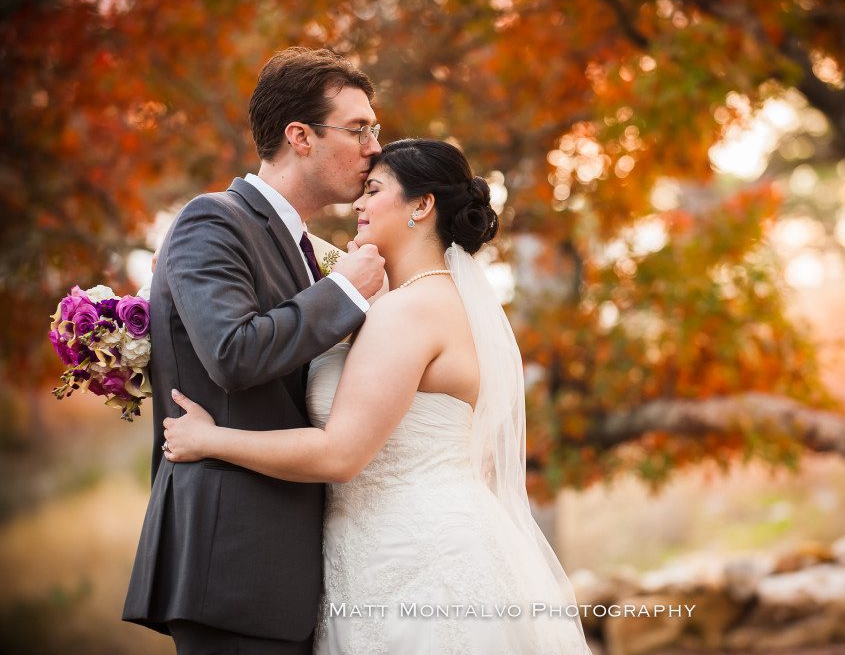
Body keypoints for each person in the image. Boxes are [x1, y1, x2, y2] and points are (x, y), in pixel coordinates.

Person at [162, 139, 593, 654]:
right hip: (392, 550)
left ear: (421, 205)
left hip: (415, 561)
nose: (359, 204)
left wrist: (211, 440)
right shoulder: (426, 302)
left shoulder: (409, 312)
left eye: (373, 190)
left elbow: (339, 454)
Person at [123, 47, 387, 655]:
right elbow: (233, 354)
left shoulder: (301, 247)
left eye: (375, 129)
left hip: (285, 569)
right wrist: (346, 291)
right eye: (358, 129)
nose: (375, 146)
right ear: (300, 136)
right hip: (232, 564)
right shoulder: (211, 223)